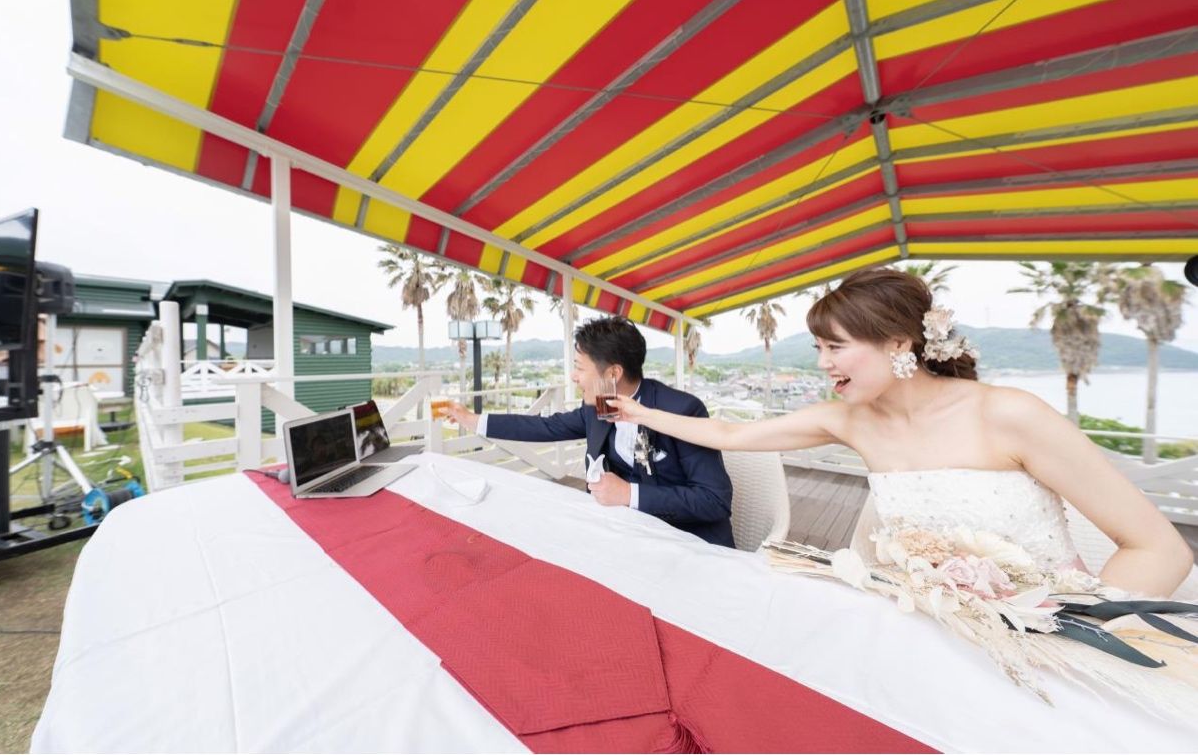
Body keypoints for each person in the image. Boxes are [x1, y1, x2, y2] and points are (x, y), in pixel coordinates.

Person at [610, 268, 1194, 598]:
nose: (823, 364)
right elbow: (730, 435)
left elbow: (1161, 550)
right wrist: (638, 412)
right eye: (818, 348)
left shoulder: (1010, 414)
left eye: (835, 347)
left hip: (1045, 636)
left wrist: (1070, 632)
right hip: (924, 624)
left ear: (898, 343)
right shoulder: (846, 419)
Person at [444, 316, 735, 547]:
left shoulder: (683, 410)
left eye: (579, 368)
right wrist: (473, 420)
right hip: (626, 537)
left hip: (689, 544)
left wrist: (629, 493)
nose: (573, 376)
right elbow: (545, 426)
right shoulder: (598, 408)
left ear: (613, 373)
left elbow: (715, 501)